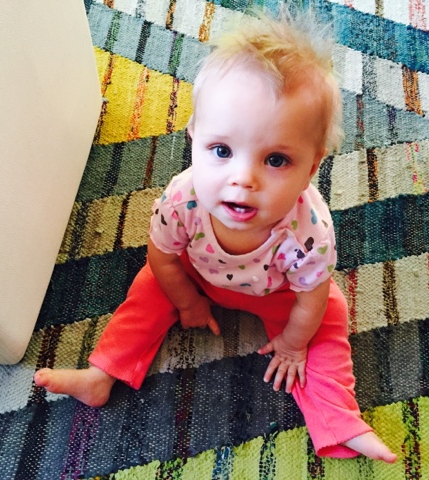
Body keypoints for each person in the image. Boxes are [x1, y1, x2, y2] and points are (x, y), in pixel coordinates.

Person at [35, 7, 397, 463]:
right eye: (222, 150)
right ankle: (102, 373)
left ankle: (339, 419)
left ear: (312, 166)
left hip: (277, 292)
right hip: (195, 275)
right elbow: (163, 257)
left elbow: (311, 298)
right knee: (148, 288)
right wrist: (187, 301)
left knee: (328, 316)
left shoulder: (309, 232)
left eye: (276, 160)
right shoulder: (182, 199)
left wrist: (292, 343)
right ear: (194, 137)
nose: (242, 179)